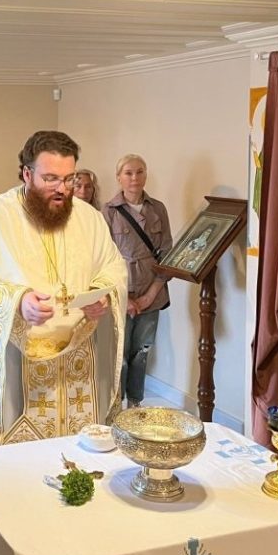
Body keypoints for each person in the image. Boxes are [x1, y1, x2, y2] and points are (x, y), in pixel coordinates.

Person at [0, 130, 127, 457]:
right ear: (27, 174)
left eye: (69, 179)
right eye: (51, 178)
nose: (62, 189)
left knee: (76, 461)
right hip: (16, 363)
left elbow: (112, 266)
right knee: (18, 466)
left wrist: (102, 293)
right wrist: (16, 300)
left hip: (75, 369)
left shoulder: (89, 218)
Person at [102, 154, 172, 408]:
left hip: (152, 292)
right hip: (121, 294)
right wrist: (126, 298)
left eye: (139, 172)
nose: (134, 178)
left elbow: (167, 252)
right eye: (128, 173)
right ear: (119, 177)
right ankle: (115, 405)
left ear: (146, 175)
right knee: (119, 353)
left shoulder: (158, 208)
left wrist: (150, 294)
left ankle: (135, 403)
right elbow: (104, 258)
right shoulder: (108, 212)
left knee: (142, 351)